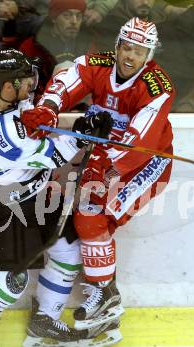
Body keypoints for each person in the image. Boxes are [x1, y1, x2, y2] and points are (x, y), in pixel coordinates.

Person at [0, 48, 115, 347]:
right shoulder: (5, 138)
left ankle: (45, 322)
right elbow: (56, 154)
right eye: (23, 80)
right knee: (12, 279)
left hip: (35, 192)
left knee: (68, 250)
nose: (31, 83)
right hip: (7, 204)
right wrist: (84, 133)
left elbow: (33, 117)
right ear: (6, 86)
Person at [21, 17, 176, 331]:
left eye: (140, 51)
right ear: (117, 45)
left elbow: (137, 144)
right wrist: (48, 108)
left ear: (150, 55)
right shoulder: (98, 64)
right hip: (104, 157)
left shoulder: (158, 87)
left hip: (145, 164)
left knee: (91, 217)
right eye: (127, 47)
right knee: (85, 220)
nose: (131, 56)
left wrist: (103, 164)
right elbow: (68, 82)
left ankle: (105, 293)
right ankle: (104, 297)